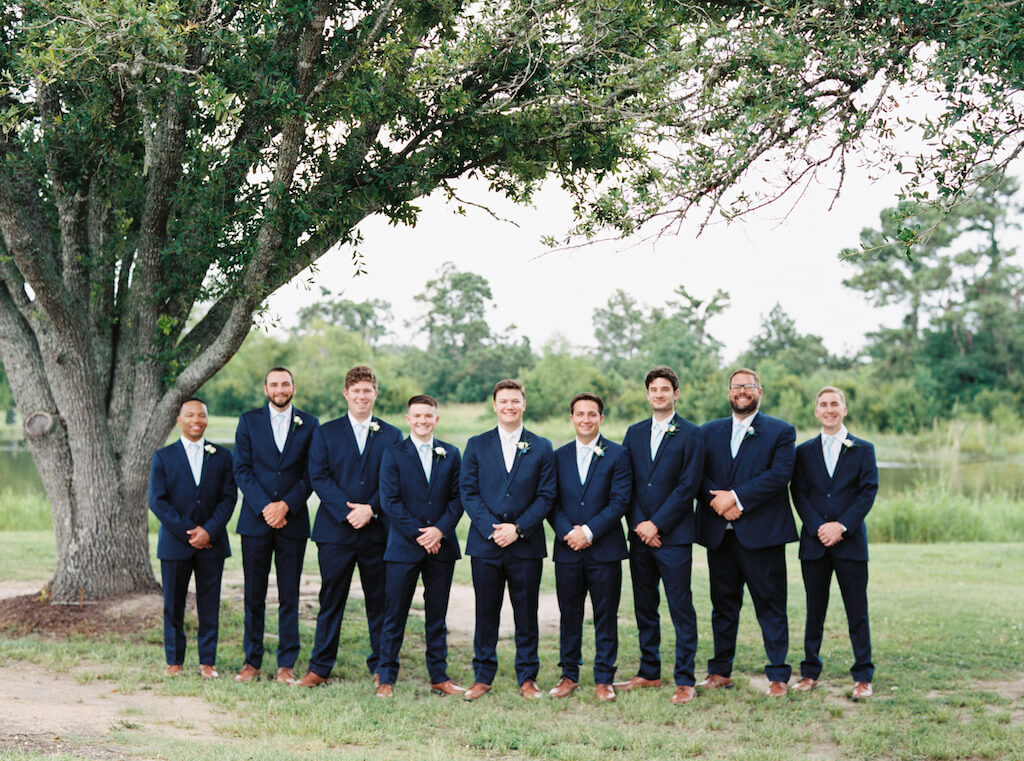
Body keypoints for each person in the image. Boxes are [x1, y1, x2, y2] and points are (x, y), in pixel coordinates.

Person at [296, 366, 402, 687]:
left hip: (376, 530)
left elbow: (393, 480)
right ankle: (319, 667)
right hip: (335, 533)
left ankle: (382, 666)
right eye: (355, 391)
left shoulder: (392, 434)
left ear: (375, 394)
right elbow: (319, 476)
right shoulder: (325, 432)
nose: (361, 396)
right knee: (331, 600)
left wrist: (371, 509)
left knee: (379, 602)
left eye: (367, 390)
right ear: (346, 394)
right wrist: (348, 512)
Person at [696, 368, 797, 697]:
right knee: (723, 605)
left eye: (748, 386)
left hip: (762, 535)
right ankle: (720, 672)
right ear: (728, 392)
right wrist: (720, 503)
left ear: (760, 392)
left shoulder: (781, 431)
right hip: (719, 535)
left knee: (770, 604)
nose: (742, 391)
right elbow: (696, 475)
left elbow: (780, 475)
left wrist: (737, 498)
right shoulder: (708, 431)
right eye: (736, 386)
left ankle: (778, 676)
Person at [459, 379, 556, 701]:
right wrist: (492, 527)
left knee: (526, 613)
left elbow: (546, 496)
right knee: (486, 611)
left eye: (515, 401)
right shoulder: (476, 444)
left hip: (525, 545)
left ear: (523, 404)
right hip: (485, 544)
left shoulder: (541, 446)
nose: (509, 406)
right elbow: (468, 493)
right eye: (504, 401)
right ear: (495, 405)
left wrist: (518, 528)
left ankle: (528, 678)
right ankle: (482, 676)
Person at [617, 367, 703, 706]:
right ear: (647, 393)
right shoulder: (634, 433)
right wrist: (641, 524)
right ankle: (649, 671)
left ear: (675, 394)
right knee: (645, 606)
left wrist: (658, 525)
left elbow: (688, 486)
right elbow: (627, 484)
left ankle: (685, 679)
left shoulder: (692, 434)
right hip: (640, 536)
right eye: (653, 389)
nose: (658, 394)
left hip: (675, 537)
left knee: (681, 607)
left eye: (665, 389)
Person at [233, 367, 319, 684]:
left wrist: (286, 505)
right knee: (253, 596)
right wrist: (265, 506)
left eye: (285, 384)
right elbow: (241, 469)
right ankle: (251, 662)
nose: (280, 389)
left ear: (293, 387)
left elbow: (312, 472)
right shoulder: (248, 421)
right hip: (256, 521)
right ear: (266, 388)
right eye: (274, 384)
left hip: (292, 521)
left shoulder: (309, 424)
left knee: (289, 596)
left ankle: (286, 664)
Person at [790, 386, 877, 700]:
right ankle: (810, 672)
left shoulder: (863, 449)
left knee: (858, 612)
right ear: (816, 412)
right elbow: (798, 493)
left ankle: (863, 676)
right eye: (823, 405)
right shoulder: (803, 452)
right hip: (814, 544)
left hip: (850, 543)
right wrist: (818, 527)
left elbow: (868, 492)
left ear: (844, 409)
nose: (829, 409)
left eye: (834, 404)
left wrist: (841, 526)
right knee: (815, 610)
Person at [375, 395, 464, 698]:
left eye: (429, 416)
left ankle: (439, 675)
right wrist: (421, 534)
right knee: (394, 613)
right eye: (417, 416)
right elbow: (389, 501)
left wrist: (439, 531)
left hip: (442, 547)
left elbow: (457, 499)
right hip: (403, 547)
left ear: (436, 420)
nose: (423, 421)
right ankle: (386, 676)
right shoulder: (393, 454)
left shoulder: (451, 454)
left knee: (436, 615)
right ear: (408, 419)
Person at [548, 393, 631, 702]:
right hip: (567, 548)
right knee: (569, 613)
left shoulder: (619, 454)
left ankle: (604, 678)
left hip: (605, 549)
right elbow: (550, 501)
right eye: (580, 414)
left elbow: (620, 500)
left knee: (605, 614)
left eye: (592, 414)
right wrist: (568, 532)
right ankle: (569, 674)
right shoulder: (558, 456)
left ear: (601, 418)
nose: (585, 419)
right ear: (571, 418)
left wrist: (589, 531)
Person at [148, 397, 237, 678]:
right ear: (179, 420)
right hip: (175, 544)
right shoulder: (163, 457)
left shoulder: (223, 457)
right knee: (173, 605)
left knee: (209, 604)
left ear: (207, 419)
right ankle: (174, 660)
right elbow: (157, 502)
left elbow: (229, 498)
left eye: (201, 415)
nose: (196, 420)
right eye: (190, 415)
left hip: (213, 542)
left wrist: (208, 530)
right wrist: (189, 531)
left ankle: (207, 662)